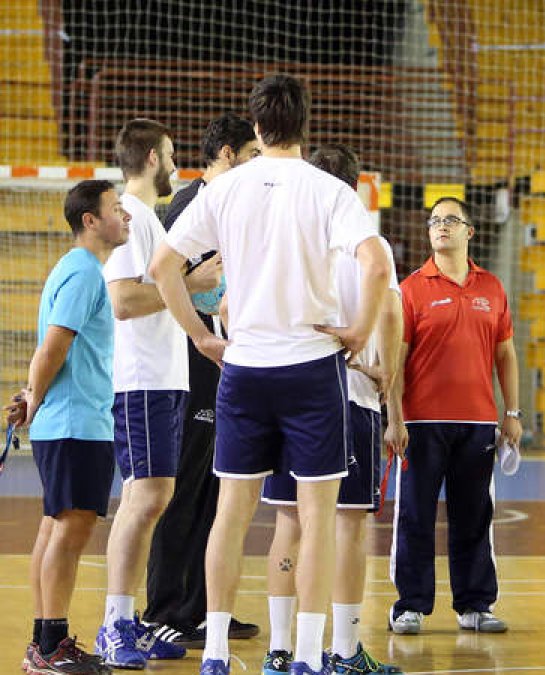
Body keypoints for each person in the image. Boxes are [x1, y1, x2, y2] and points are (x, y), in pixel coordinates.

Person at [148, 74, 393, 675]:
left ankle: (214, 652)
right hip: (312, 369)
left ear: (255, 126)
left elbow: (162, 266)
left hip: (246, 367)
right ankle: (307, 656)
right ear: (305, 124)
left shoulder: (226, 188)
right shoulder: (329, 190)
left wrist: (202, 337)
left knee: (231, 514)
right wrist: (360, 329)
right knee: (315, 518)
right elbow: (377, 261)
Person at [260, 144, 404, 675]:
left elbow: (233, 306)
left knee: (288, 521)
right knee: (347, 526)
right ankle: (342, 650)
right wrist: (392, 396)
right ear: (354, 188)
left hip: (283, 389)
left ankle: (281, 649)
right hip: (351, 395)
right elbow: (390, 318)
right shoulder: (367, 243)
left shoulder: (284, 240)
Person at [96, 118, 220, 668]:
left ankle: (130, 620)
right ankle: (114, 623)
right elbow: (124, 301)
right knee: (143, 500)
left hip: (166, 379)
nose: (176, 166)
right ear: (150, 158)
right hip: (144, 381)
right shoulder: (132, 215)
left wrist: (196, 302)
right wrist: (188, 286)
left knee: (155, 500)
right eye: (170, 156)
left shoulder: (149, 218)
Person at [142, 112, 262, 649]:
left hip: (222, 358)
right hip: (191, 359)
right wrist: (200, 333)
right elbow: (163, 282)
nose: (260, 166)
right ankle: (164, 607)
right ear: (229, 155)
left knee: (216, 485)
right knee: (184, 485)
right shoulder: (192, 205)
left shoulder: (231, 207)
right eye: (253, 155)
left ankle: (204, 606)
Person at [10, 180, 130, 675]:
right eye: (116, 209)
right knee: (71, 530)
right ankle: (51, 644)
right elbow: (55, 345)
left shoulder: (75, 270)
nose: (125, 216)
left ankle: (44, 641)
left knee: (56, 527)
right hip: (77, 422)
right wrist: (35, 397)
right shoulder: (83, 275)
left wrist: (31, 395)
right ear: (90, 220)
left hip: (72, 421)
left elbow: (52, 349)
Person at [387, 195, 521, 636]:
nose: (441, 226)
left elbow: (506, 354)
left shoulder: (492, 288)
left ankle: (475, 604)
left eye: (451, 220)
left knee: (474, 515)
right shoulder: (410, 289)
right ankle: (410, 605)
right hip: (421, 424)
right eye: (435, 221)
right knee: (415, 516)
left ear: (470, 232)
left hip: (479, 423)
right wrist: (395, 418)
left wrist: (512, 412)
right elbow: (396, 360)